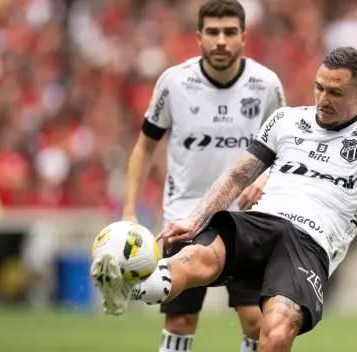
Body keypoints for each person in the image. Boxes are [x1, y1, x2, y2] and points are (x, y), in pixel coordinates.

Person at [93, 46, 357, 351]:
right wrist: (196, 219)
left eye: (335, 92)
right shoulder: (286, 120)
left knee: (274, 337)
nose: (322, 99)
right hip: (261, 220)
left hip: (310, 242)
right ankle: (129, 285)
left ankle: (134, 283)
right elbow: (238, 175)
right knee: (194, 259)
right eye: (319, 87)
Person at [93, 1, 286, 351]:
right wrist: (129, 211)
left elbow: (285, 145)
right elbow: (144, 148)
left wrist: (264, 180)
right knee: (180, 321)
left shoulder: (266, 85)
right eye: (213, 32)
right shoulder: (175, 82)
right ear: (199, 37)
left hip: (248, 221)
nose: (221, 41)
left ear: (244, 36)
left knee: (257, 321)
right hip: (185, 217)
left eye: (229, 32)